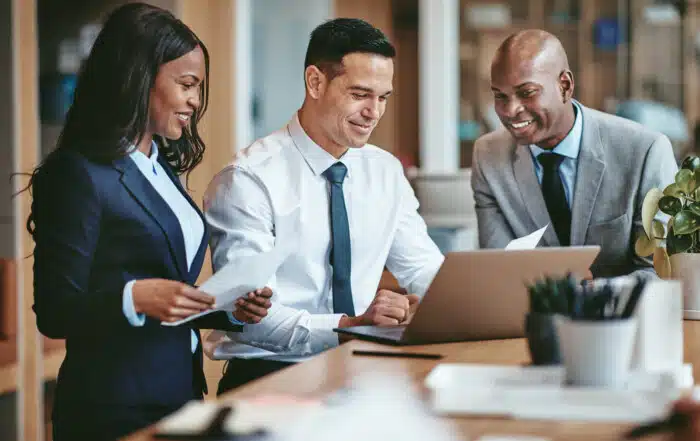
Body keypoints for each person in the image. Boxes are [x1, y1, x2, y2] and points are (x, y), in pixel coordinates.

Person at [27, 4, 271, 440]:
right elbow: (55, 310)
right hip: (112, 408)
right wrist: (134, 297)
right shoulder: (80, 173)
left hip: (181, 394)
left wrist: (227, 308)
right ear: (140, 78)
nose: (195, 101)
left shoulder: (160, 169)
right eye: (187, 85)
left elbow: (166, 289)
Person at [204, 18, 444, 394]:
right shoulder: (248, 179)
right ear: (315, 82)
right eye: (360, 94)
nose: (374, 112)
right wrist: (351, 325)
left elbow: (423, 268)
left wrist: (463, 301)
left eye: (383, 97)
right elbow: (252, 318)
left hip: (366, 373)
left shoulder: (384, 171)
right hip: (270, 380)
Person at [471, 29, 677, 279]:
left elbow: (657, 271)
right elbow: (499, 267)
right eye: (500, 96)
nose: (511, 110)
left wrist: (588, 296)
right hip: (530, 315)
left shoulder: (645, 151)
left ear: (564, 86)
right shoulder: (488, 157)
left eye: (527, 93)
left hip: (622, 316)